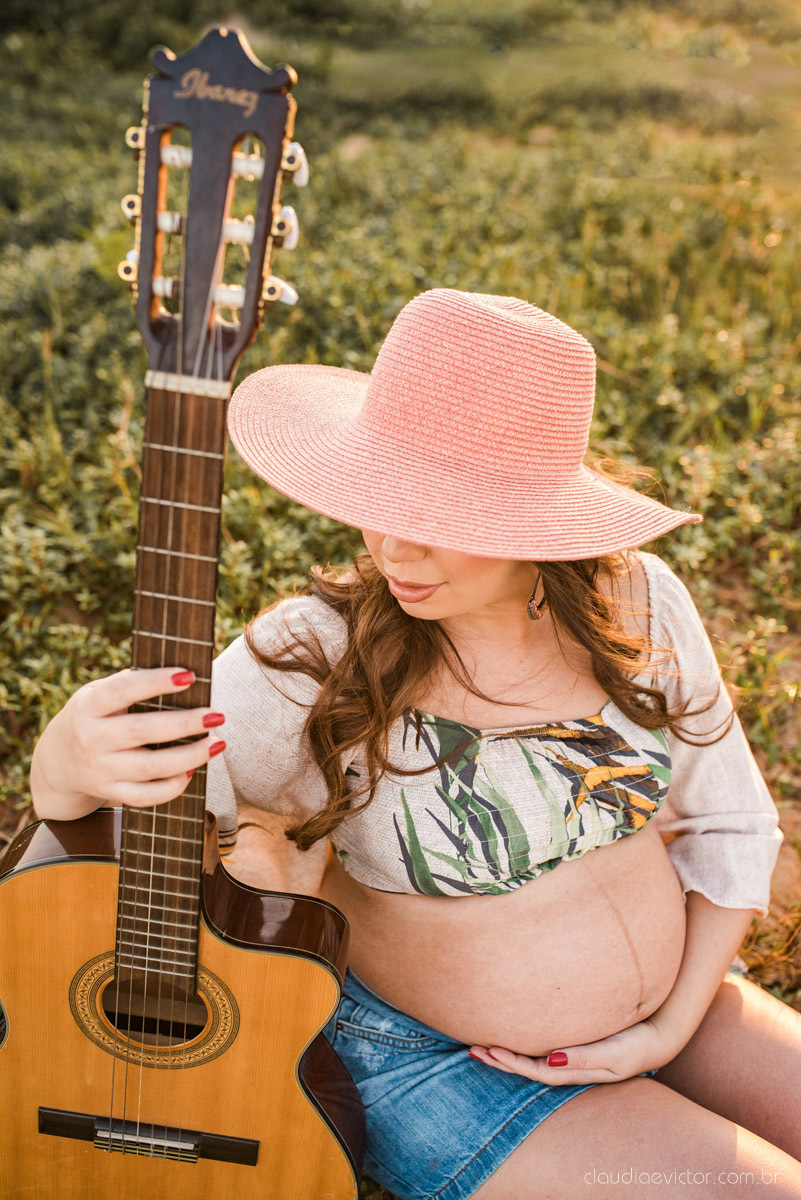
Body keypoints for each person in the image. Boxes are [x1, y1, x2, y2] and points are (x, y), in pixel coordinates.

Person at [31, 289, 801, 1199]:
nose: (394, 547)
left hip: (687, 1005)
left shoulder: (635, 602)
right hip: (445, 1068)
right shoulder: (310, 659)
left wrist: (667, 1027)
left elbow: (726, 822)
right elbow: (124, 851)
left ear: (534, 517)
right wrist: (64, 766)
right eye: (379, 497)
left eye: (438, 513)